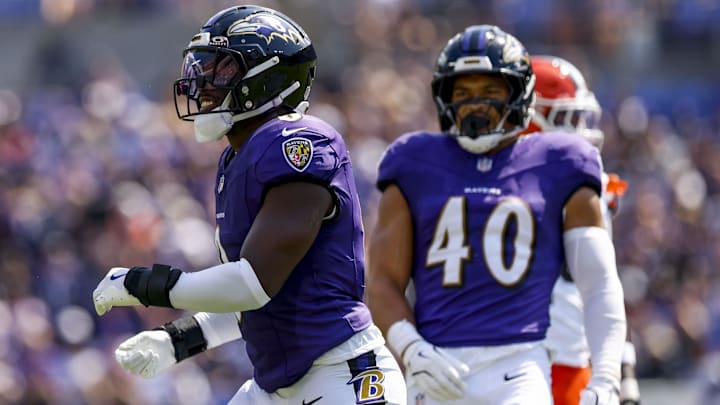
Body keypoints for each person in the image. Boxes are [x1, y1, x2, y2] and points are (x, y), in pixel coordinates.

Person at [91, 5, 406, 405]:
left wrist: (144, 285)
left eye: (221, 70)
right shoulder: (234, 161)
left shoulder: (301, 142)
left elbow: (251, 284)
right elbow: (252, 304)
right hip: (275, 387)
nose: (202, 82)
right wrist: (177, 340)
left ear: (267, 78)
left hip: (341, 376)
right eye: (201, 67)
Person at [366, 24, 627, 405]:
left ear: (519, 94)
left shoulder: (561, 162)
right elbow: (383, 280)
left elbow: (600, 284)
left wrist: (607, 377)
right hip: (437, 363)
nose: (476, 104)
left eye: (491, 91)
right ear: (444, 97)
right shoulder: (413, 162)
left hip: (519, 366)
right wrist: (411, 348)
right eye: (463, 92)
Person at [526, 55, 640, 405]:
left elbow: (602, 286)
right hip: (510, 360)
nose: (580, 128)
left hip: (570, 364)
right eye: (567, 118)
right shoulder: (491, 189)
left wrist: (621, 367)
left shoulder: (588, 190)